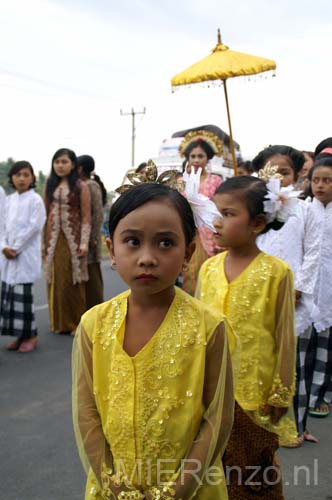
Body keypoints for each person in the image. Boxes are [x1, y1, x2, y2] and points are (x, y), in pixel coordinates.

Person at [72, 182, 234, 500]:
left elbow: (218, 417)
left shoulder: (210, 328)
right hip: (113, 489)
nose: (147, 258)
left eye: (165, 243)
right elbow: (86, 411)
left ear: (188, 252)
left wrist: (179, 489)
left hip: (191, 490)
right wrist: (112, 483)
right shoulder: (94, 324)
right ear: (111, 248)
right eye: (132, 241)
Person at [196, 175, 297, 499]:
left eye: (228, 214)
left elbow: (284, 337)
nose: (217, 221)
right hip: (211, 394)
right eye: (216, 213)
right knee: (212, 474)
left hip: (254, 394)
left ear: (257, 223)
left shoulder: (276, 272)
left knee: (255, 475)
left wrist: (281, 392)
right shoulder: (208, 269)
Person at [252, 146, 319, 446]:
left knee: (294, 364)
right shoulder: (256, 210)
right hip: (258, 297)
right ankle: (263, 423)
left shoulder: (306, 210)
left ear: (297, 175)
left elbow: (313, 253)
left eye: (285, 172)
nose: (278, 177)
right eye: (271, 171)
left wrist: (299, 288)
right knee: (263, 361)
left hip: (294, 298)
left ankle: (298, 425)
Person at [44, 148, 91, 335]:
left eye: (64, 162)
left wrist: (84, 243)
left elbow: (86, 216)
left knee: (74, 280)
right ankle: (59, 322)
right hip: (53, 240)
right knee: (56, 278)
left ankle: (76, 322)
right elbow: (45, 215)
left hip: (74, 240)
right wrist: (44, 242)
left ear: (72, 165)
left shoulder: (80, 186)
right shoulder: (49, 184)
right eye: (57, 162)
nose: (60, 166)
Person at [0, 161, 46, 352]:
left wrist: (16, 248)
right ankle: (20, 336)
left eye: (26, 175)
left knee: (23, 298)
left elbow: (34, 227)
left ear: (32, 178)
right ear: (11, 177)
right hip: (7, 255)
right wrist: (3, 246)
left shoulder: (35, 200)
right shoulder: (8, 200)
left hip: (24, 255)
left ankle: (32, 335)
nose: (21, 179)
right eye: (18, 175)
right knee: (10, 297)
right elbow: (1, 225)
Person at [178, 130, 223, 295]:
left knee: (210, 273)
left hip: (210, 232)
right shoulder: (181, 182)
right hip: (189, 231)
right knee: (190, 273)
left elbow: (219, 210)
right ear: (188, 158)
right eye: (193, 156)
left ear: (208, 158)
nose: (196, 160)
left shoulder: (215, 181)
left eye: (200, 156)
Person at [306, 155, 332, 418]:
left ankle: (318, 396)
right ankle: (299, 397)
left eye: (327, 180)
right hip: (307, 287)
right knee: (305, 346)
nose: (320, 185)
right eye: (316, 180)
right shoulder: (303, 211)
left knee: (327, 346)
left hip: (330, 291)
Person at [77, 155, 105, 309]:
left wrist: (92, 237)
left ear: (80, 168)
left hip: (91, 240)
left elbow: (98, 214)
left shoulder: (91, 185)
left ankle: (96, 310)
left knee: (92, 276)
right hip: (83, 238)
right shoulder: (82, 185)